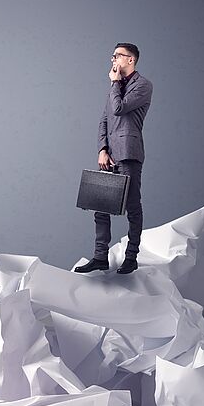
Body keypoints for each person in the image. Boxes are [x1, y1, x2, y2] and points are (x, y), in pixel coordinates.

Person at [74, 43, 152, 275]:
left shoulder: (143, 85)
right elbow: (104, 120)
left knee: (132, 207)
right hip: (110, 154)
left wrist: (115, 82)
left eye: (118, 56)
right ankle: (100, 257)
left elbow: (119, 108)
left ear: (131, 60)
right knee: (100, 205)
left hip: (129, 152)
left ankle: (131, 257)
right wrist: (102, 149)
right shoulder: (114, 87)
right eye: (113, 56)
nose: (114, 60)